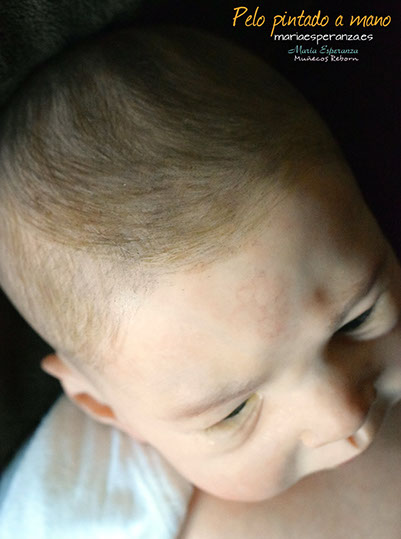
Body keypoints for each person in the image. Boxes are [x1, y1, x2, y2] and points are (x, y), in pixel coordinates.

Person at [0, 25, 400, 537]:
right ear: (102, 405)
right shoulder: (82, 514)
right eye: (234, 412)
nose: (341, 414)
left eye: (357, 318)